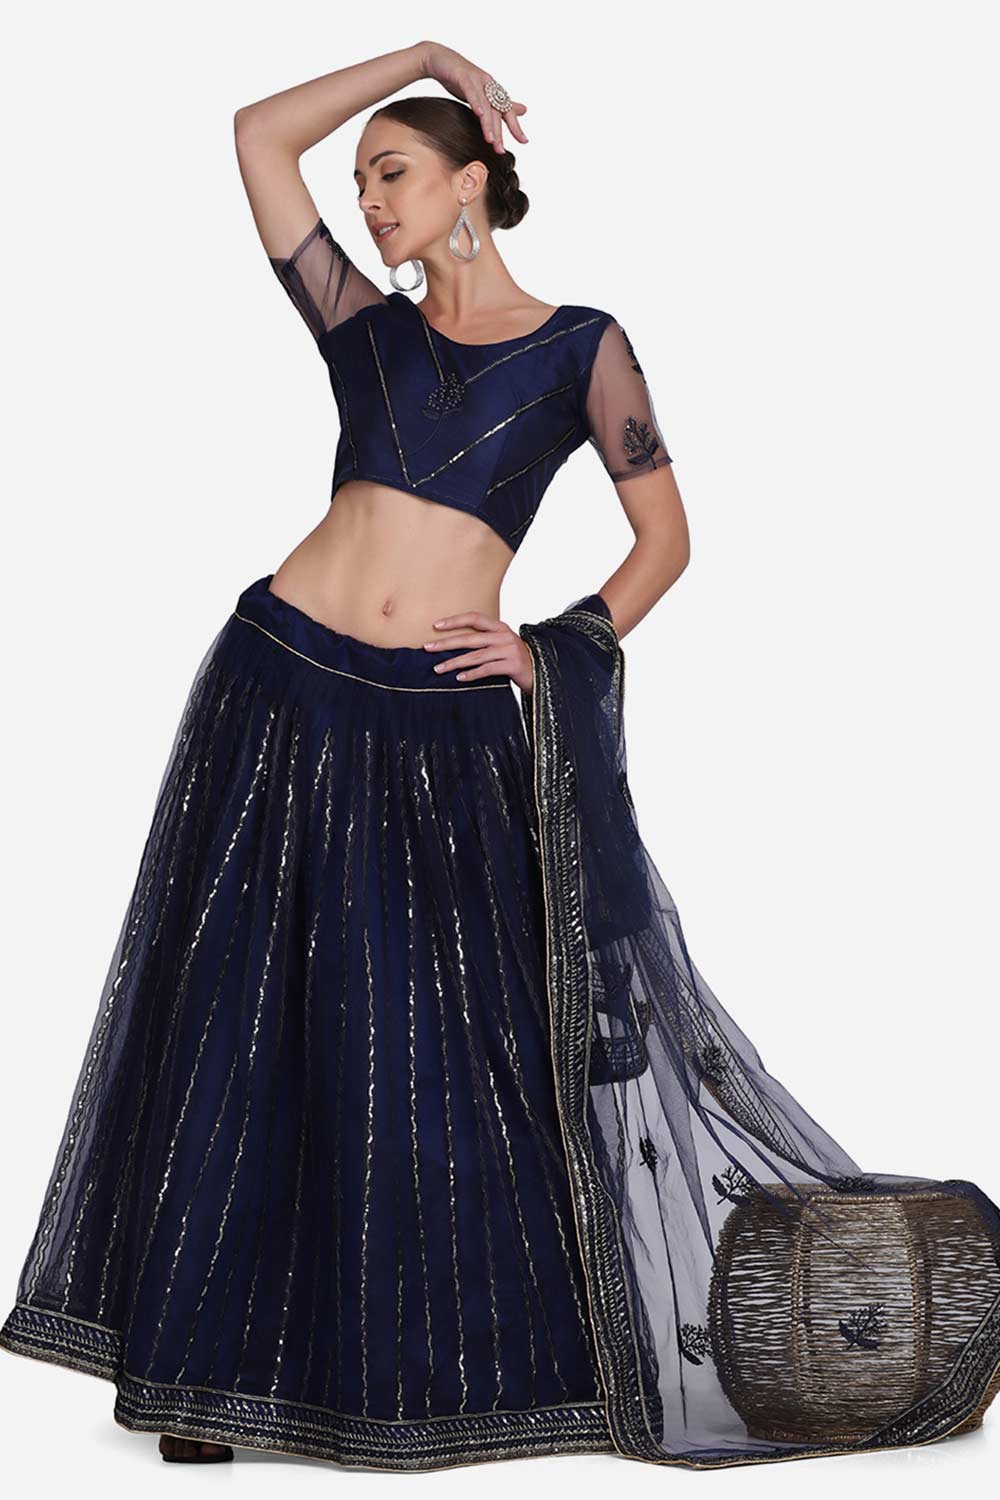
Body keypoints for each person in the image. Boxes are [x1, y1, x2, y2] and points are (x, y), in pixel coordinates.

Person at [2, 40, 998, 1474]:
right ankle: (202, 1378)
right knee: (241, 1020)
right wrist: (417, 54)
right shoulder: (364, 329)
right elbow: (255, 135)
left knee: (436, 1035)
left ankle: (431, 1372)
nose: (370, 201)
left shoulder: (581, 347)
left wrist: (554, 644)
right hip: (278, 688)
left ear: (472, 182)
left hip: (438, 720)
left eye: (395, 173)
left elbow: (668, 540)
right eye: (365, 182)